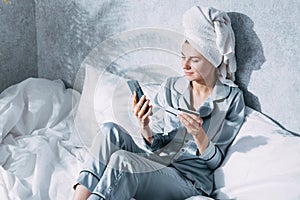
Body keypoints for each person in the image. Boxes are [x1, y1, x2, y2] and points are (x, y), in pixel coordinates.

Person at [72, 5, 245, 200]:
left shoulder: (230, 99)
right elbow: (157, 144)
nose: (184, 65)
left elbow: (215, 161)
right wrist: (145, 126)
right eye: (182, 56)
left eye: (194, 60)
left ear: (212, 60)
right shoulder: (172, 86)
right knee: (109, 131)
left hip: (188, 180)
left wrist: (199, 135)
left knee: (123, 161)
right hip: (156, 163)